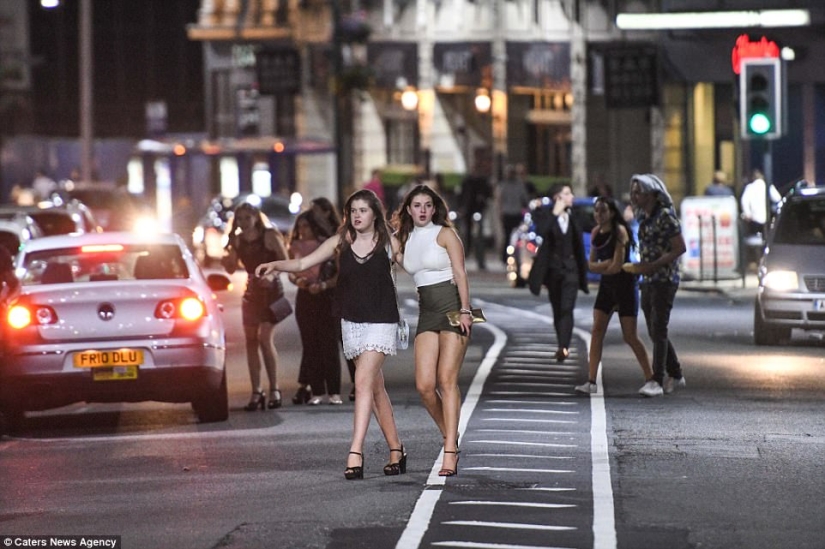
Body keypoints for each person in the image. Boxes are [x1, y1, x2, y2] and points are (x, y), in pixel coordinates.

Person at [256, 189, 405, 480]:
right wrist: (275, 265)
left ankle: (355, 452)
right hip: (352, 322)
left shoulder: (389, 242)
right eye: (353, 211)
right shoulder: (340, 241)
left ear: (375, 213)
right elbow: (302, 264)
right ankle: (396, 449)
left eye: (363, 210)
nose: (357, 216)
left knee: (361, 381)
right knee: (375, 388)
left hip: (382, 321)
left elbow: (417, 266)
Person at [393, 184, 472, 477]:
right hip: (427, 313)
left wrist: (466, 309)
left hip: (453, 309)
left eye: (428, 205)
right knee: (425, 386)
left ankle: (449, 449)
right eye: (417, 205)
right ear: (409, 209)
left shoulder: (446, 234)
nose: (423, 210)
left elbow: (461, 273)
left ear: (435, 208)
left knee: (445, 380)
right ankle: (450, 434)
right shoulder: (405, 238)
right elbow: (397, 259)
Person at [574, 197, 656, 396]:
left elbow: (615, 267)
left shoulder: (620, 232)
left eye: (602, 211)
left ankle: (652, 379)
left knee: (630, 336)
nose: (598, 215)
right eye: (596, 211)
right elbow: (591, 265)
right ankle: (591, 381)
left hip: (625, 286)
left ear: (611, 213)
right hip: (606, 288)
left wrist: (600, 266)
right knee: (597, 330)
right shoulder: (595, 233)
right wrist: (602, 265)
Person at [623, 173, 687, 396]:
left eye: (638, 192)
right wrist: (641, 267)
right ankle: (676, 373)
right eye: (633, 192)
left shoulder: (665, 217)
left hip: (665, 279)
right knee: (653, 329)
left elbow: (679, 248)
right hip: (648, 279)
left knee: (659, 327)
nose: (634, 196)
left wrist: (656, 264)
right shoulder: (644, 217)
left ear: (652, 194)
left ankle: (657, 380)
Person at [221, 202, 288, 411]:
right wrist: (228, 255)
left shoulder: (269, 235)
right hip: (251, 292)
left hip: (270, 291)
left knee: (264, 338)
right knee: (250, 340)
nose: (243, 223)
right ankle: (256, 391)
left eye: (247, 218)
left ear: (256, 218)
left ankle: (274, 389)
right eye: (239, 219)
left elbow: (285, 261)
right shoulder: (238, 240)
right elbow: (231, 270)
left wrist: (272, 274)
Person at [528, 183, 589, 362]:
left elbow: (592, 225)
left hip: (571, 270)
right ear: (558, 197)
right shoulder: (545, 215)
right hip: (553, 270)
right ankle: (561, 343)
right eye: (567, 194)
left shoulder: (576, 215)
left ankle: (564, 346)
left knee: (567, 308)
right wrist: (555, 213)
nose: (572, 197)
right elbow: (541, 232)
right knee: (557, 308)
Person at [287, 211, 344, 405]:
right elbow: (292, 271)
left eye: (306, 226)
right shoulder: (295, 246)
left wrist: (324, 285)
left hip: (326, 296)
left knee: (329, 345)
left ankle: (334, 391)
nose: (302, 231)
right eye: (300, 227)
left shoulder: (328, 245)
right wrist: (298, 280)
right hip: (305, 297)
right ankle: (317, 391)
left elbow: (340, 273)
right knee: (310, 345)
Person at [309, 196, 357, 402]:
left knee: (347, 341)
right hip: (318, 294)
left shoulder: (340, 235)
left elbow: (344, 269)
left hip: (339, 293)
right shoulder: (312, 231)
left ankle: (358, 382)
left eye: (316, 211)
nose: (313, 215)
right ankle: (320, 387)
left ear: (327, 212)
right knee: (323, 343)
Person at [458, 164, 492, 270]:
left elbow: (488, 194)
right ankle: (466, 253)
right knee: (466, 233)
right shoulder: (467, 182)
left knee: (479, 236)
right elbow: (461, 195)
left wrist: (483, 201)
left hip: (478, 211)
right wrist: (462, 208)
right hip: (468, 211)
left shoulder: (483, 182)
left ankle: (480, 259)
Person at [496, 164, 530, 263]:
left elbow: (524, 199)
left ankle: (511, 256)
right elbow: (500, 200)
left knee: (514, 237)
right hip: (509, 213)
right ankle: (506, 257)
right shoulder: (504, 185)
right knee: (508, 236)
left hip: (515, 213)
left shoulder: (517, 185)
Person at [740, 169, 781, 236]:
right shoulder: (768, 186)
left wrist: (748, 213)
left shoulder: (750, 187)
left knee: (754, 237)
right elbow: (778, 198)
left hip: (753, 218)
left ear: (753, 177)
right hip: (767, 218)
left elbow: (744, 201)